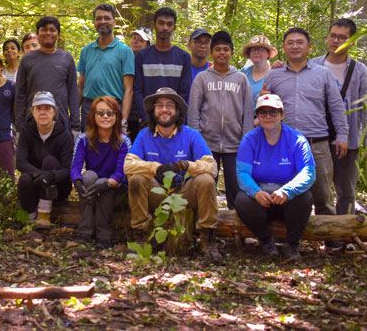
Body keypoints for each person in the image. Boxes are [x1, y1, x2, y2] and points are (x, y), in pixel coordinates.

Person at [261, 28, 348, 232]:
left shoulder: (323, 74)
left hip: (316, 143)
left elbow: (336, 106)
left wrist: (342, 135)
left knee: (323, 195)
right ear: (283, 47)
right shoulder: (274, 75)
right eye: (290, 42)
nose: (295, 46)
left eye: (300, 42)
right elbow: (264, 109)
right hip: (283, 146)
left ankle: (329, 237)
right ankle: (285, 236)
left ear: (309, 47)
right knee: (282, 192)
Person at [124, 87, 222, 262]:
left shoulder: (192, 135)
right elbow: (129, 164)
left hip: (184, 194)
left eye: (170, 105)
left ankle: (208, 239)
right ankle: (141, 236)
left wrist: (184, 166)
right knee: (136, 179)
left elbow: (211, 166)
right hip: (157, 192)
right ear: (153, 111)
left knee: (206, 180)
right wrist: (155, 168)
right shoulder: (144, 135)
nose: (164, 110)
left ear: (177, 111)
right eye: (159, 105)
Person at [235, 94, 315, 262]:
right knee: (241, 200)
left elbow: (308, 172)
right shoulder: (250, 139)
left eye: (273, 112)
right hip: (261, 198)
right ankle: (266, 241)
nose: (268, 116)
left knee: (305, 197)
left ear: (282, 114)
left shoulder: (297, 139)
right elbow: (242, 172)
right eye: (263, 113)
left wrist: (288, 191)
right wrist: (255, 192)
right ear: (257, 116)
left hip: (287, 197)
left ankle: (292, 245)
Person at [311, 18, 367, 216]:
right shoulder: (313, 66)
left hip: (349, 139)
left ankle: (345, 236)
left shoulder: (359, 70)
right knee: (320, 189)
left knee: (346, 190)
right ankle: (328, 234)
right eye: (332, 36)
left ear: (352, 41)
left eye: (342, 38)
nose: (336, 41)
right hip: (318, 137)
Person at [187, 31, 254, 209]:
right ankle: (205, 228)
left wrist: (246, 140)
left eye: (226, 49)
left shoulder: (241, 79)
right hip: (207, 144)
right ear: (211, 52)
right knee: (206, 186)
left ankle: (237, 230)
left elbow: (248, 113)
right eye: (217, 49)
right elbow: (193, 111)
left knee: (236, 188)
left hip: (235, 144)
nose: (222, 53)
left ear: (232, 52)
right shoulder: (202, 78)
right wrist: (196, 140)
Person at [71, 96, 130, 249]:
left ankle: (103, 233)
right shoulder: (84, 139)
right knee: (88, 176)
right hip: (92, 183)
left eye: (110, 113)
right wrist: (77, 182)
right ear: (93, 116)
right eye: (101, 113)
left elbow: (121, 173)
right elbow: (76, 167)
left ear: (116, 116)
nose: (105, 117)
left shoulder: (123, 141)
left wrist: (107, 184)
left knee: (101, 183)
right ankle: (85, 230)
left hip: (116, 187)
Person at [16, 91, 74, 230]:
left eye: (47, 108)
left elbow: (67, 169)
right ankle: (30, 218)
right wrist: (39, 175)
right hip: (35, 182)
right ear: (33, 112)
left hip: (57, 186)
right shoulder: (26, 131)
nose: (43, 112)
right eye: (38, 108)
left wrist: (50, 175)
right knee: (24, 179)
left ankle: (44, 214)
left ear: (54, 112)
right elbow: (20, 162)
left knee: (50, 162)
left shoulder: (64, 134)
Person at [15, 16, 80, 132]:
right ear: (38, 33)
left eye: (52, 30)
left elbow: (73, 93)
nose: (48, 33)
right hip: (32, 124)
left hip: (61, 123)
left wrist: (75, 125)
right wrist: (19, 127)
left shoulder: (66, 58)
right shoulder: (27, 60)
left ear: (58, 34)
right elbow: (20, 94)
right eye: (44, 30)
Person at [77, 4, 135, 132]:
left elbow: (129, 89)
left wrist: (123, 121)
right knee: (87, 147)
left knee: (113, 149)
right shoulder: (86, 51)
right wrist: (74, 117)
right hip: (89, 108)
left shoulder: (125, 51)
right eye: (99, 18)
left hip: (113, 109)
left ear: (114, 21)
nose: (103, 22)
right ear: (94, 23)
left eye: (107, 18)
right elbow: (81, 85)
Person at [133, 7, 192, 125]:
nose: (165, 28)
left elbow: (184, 93)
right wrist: (147, 117)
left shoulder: (183, 57)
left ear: (174, 28)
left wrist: (171, 117)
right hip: (148, 121)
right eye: (161, 23)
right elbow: (137, 90)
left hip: (173, 121)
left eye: (169, 24)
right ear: (153, 25)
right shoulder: (142, 56)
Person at [126, 27, 151, 142]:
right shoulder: (125, 59)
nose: (135, 41)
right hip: (125, 113)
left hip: (142, 115)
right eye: (134, 38)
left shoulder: (149, 63)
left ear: (147, 44)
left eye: (140, 40)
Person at [240, 34, 277, 101]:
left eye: (260, 49)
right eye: (253, 50)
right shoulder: (242, 73)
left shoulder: (275, 75)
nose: (256, 52)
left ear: (268, 53)